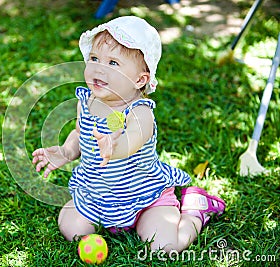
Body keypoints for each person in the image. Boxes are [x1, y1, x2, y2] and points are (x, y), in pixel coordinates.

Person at [32, 16, 225, 253]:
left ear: (139, 80)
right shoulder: (87, 101)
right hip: (97, 194)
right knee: (70, 224)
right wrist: (67, 151)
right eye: (94, 59)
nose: (99, 68)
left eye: (113, 63)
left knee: (163, 246)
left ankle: (196, 211)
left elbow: (132, 141)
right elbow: (80, 133)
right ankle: (98, 231)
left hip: (145, 196)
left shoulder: (140, 113)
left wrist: (114, 147)